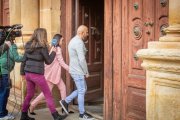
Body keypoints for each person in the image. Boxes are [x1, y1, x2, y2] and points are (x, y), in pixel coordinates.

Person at [20, 28, 67, 120]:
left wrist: (22, 73)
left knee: (29, 95)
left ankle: (23, 115)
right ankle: (56, 116)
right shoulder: (43, 47)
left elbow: (23, 60)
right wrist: (54, 51)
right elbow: (49, 61)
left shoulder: (28, 45)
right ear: (43, 35)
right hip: (37, 75)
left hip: (28, 74)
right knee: (48, 95)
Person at [60, 25, 95, 120]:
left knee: (82, 89)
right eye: (86, 32)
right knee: (82, 90)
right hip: (78, 70)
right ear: (81, 33)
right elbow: (82, 59)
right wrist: (86, 72)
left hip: (74, 69)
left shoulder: (73, 40)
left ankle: (66, 101)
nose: (88, 34)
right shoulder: (79, 42)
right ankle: (82, 114)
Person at [29, 34, 69, 114]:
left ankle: (64, 107)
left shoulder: (52, 47)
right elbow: (61, 62)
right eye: (62, 40)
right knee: (48, 92)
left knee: (62, 88)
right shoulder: (57, 49)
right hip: (53, 75)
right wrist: (71, 69)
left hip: (51, 74)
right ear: (58, 40)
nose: (63, 42)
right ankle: (32, 104)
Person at [0, 40, 23, 120]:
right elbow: (16, 58)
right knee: (4, 93)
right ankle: (2, 115)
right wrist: (26, 56)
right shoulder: (11, 44)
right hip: (4, 73)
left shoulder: (1, 44)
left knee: (1, 93)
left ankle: (3, 112)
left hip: (2, 72)